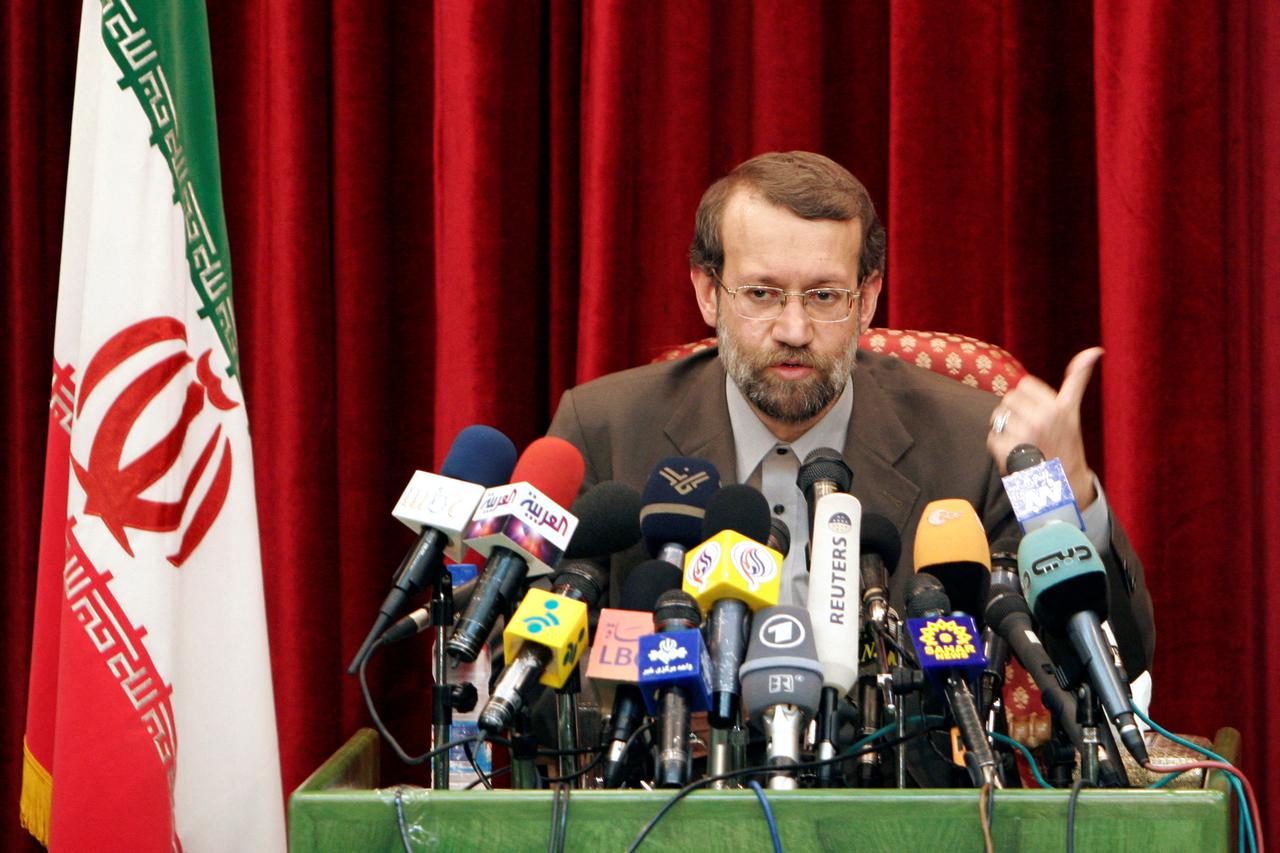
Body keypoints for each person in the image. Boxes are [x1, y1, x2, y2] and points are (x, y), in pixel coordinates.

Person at [547, 150, 1153, 684]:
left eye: (824, 296)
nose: (793, 330)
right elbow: (521, 667)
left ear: (866, 301)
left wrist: (1072, 501)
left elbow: (1115, 661)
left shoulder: (971, 445)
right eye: (760, 293)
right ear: (709, 293)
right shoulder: (602, 431)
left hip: (903, 803)